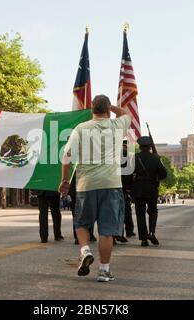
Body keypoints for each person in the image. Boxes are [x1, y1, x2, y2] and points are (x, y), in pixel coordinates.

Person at [59, 95, 131, 282]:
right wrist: (110, 106)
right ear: (108, 110)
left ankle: (84, 250)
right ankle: (104, 271)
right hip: (112, 185)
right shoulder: (117, 126)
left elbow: (66, 156)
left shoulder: (81, 128)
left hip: (86, 183)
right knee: (107, 231)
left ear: (92, 110)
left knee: (82, 223)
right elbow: (125, 113)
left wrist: (65, 180)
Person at [132, 136, 167, 247]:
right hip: (152, 188)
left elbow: (128, 174)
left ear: (140, 146)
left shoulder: (134, 158)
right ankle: (151, 233)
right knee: (152, 212)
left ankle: (143, 239)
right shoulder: (156, 158)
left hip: (138, 189)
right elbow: (164, 175)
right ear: (150, 146)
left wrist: (128, 189)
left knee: (140, 214)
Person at [115, 141, 136, 243]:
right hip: (122, 187)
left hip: (111, 184)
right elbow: (129, 173)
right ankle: (122, 233)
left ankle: (113, 235)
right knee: (123, 211)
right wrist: (129, 188)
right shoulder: (126, 155)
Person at [69, 174, 96, 245]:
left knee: (76, 213)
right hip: (86, 187)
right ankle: (89, 234)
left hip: (75, 188)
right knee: (89, 210)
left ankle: (77, 237)